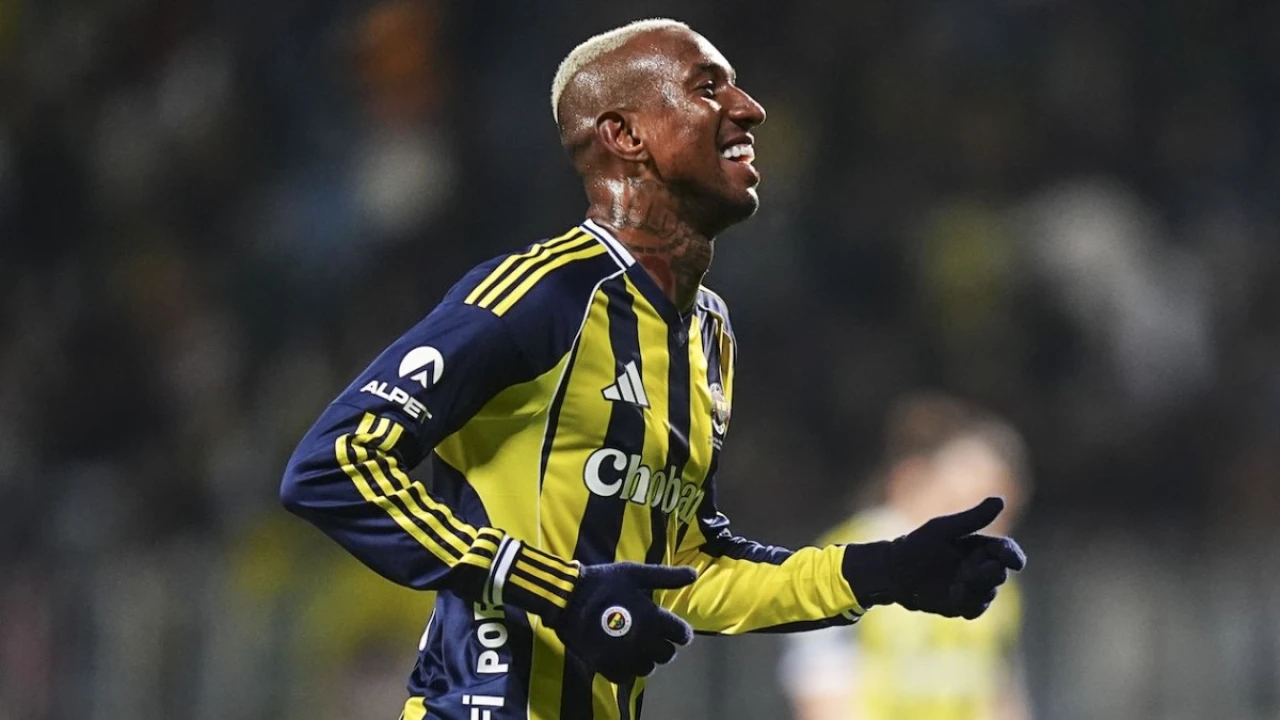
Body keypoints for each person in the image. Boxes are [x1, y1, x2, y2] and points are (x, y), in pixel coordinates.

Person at [280, 19, 1026, 720]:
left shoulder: (709, 332)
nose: (750, 109)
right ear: (626, 136)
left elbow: (692, 568)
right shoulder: (544, 294)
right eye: (708, 89)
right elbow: (331, 466)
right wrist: (561, 591)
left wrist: (878, 573)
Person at [781, 393, 1032, 720]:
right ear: (909, 480)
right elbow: (820, 696)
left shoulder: (995, 578)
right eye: (962, 504)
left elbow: (1001, 695)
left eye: (999, 517)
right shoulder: (843, 562)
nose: (985, 530)